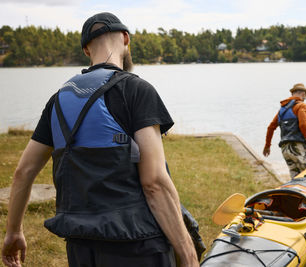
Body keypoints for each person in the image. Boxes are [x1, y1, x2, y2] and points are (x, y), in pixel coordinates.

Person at [1, 12, 198, 267]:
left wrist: (14, 231)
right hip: (138, 245)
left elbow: (23, 172)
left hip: (81, 247)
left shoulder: (58, 101)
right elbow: (154, 183)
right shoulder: (137, 90)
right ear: (126, 39)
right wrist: (189, 254)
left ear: (86, 50)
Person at [263, 83, 306, 178]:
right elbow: (303, 124)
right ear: (303, 94)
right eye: (305, 97)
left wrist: (267, 146)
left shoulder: (282, 110)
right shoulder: (302, 106)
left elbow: (270, 127)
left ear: (292, 94)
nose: (304, 99)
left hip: (285, 148)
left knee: (295, 177)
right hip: (298, 147)